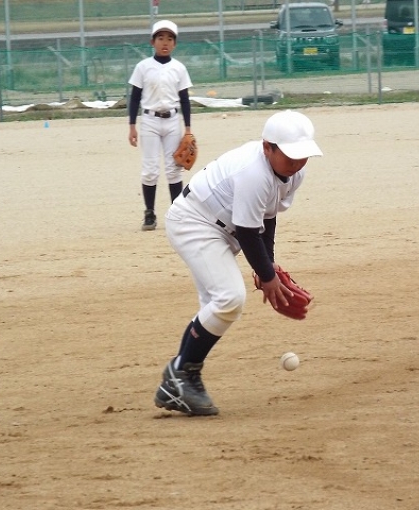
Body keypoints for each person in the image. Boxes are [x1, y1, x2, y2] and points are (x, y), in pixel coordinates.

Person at [154, 110, 323, 416]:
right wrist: (267, 276)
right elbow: (247, 231)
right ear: (267, 147)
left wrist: (267, 265)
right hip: (195, 223)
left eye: (303, 155)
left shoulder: (294, 173)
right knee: (229, 298)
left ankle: (178, 380)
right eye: (290, 155)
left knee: (216, 309)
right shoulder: (253, 172)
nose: (298, 162)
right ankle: (181, 376)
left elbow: (267, 217)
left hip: (221, 229)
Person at [127, 20, 194, 231]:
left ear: (175, 43)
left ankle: (177, 213)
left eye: (170, 39)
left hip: (173, 121)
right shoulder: (143, 67)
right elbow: (135, 98)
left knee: (174, 169)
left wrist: (188, 129)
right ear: (152, 42)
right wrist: (132, 126)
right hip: (149, 121)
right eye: (161, 38)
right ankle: (149, 213)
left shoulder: (179, 68)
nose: (165, 42)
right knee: (150, 170)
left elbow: (185, 100)